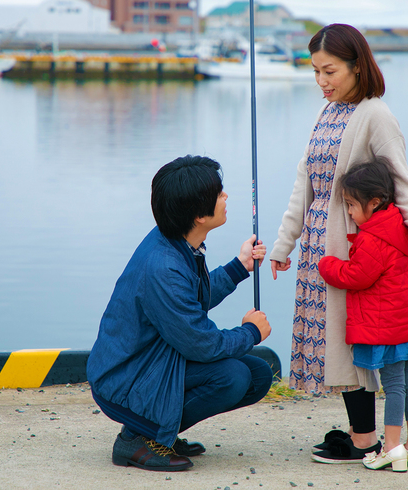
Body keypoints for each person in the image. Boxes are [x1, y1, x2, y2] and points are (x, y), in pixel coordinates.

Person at [267, 23, 408, 464]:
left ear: (356, 65)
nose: (322, 81)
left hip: (352, 249)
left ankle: (366, 439)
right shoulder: (326, 113)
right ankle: (363, 432)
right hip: (318, 247)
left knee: (352, 342)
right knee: (336, 342)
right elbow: (305, 184)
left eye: (329, 70)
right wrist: (284, 243)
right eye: (315, 72)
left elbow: (400, 180)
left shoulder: (375, 115)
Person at [87, 155, 273, 472]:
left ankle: (161, 430)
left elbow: (190, 302)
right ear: (199, 215)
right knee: (234, 377)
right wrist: (250, 332)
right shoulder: (164, 267)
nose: (226, 197)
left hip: (154, 360)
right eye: (219, 194)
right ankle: (137, 438)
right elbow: (202, 344)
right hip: (124, 379)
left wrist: (239, 267)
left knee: (258, 375)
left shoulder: (178, 241)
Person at [318, 160, 408, 472]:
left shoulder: (372, 239)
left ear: (373, 203)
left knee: (394, 385)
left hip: (389, 328)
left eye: (351, 205)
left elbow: (357, 276)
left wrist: (327, 264)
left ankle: (392, 447)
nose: (348, 213)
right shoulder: (402, 223)